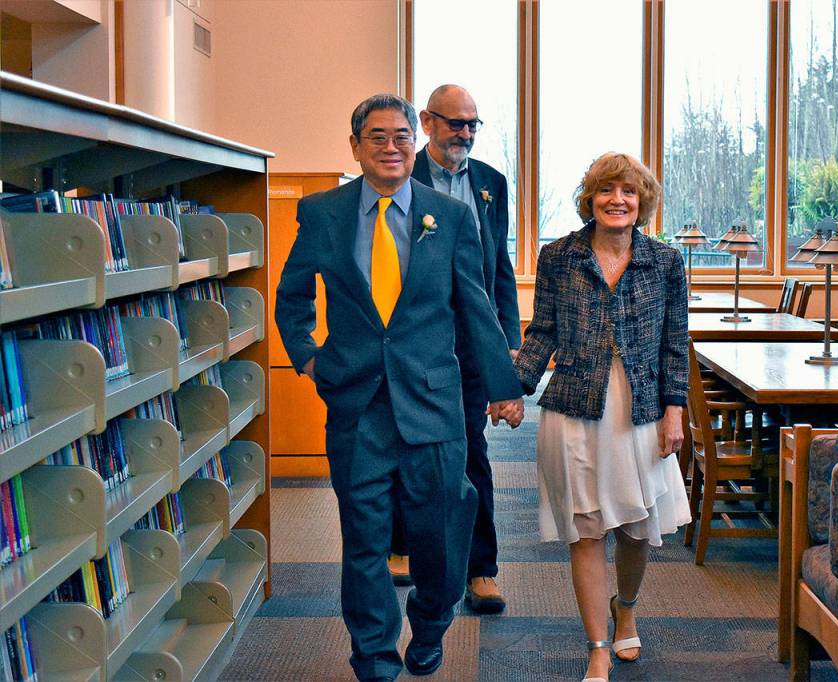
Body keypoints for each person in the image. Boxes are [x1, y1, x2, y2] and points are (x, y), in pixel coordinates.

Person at [274, 93, 525, 682]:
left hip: (434, 406)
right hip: (357, 406)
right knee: (363, 541)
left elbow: (475, 306)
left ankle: (432, 623)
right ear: (356, 147)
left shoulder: (452, 215)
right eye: (378, 137)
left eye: (402, 136)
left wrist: (502, 386)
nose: (392, 147)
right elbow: (291, 297)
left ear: (417, 142)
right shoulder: (322, 213)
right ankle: (374, 658)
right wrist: (309, 358)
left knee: (440, 535)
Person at [514, 153, 691, 682]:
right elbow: (542, 332)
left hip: (641, 410)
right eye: (606, 190)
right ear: (589, 199)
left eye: (629, 192)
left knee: (638, 528)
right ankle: (596, 645)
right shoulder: (559, 256)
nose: (618, 200)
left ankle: (627, 606)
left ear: (643, 202)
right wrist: (510, 389)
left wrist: (675, 412)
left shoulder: (664, 262)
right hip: (574, 405)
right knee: (586, 529)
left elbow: (674, 344)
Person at [388, 84, 520, 614]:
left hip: (470, 345)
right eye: (455, 123)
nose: (465, 134)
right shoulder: (401, 175)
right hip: (414, 346)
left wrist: (507, 348)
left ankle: (481, 570)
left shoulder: (491, 184)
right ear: (427, 121)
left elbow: (500, 271)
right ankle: (408, 551)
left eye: (473, 124)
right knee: (410, 452)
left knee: (471, 455)